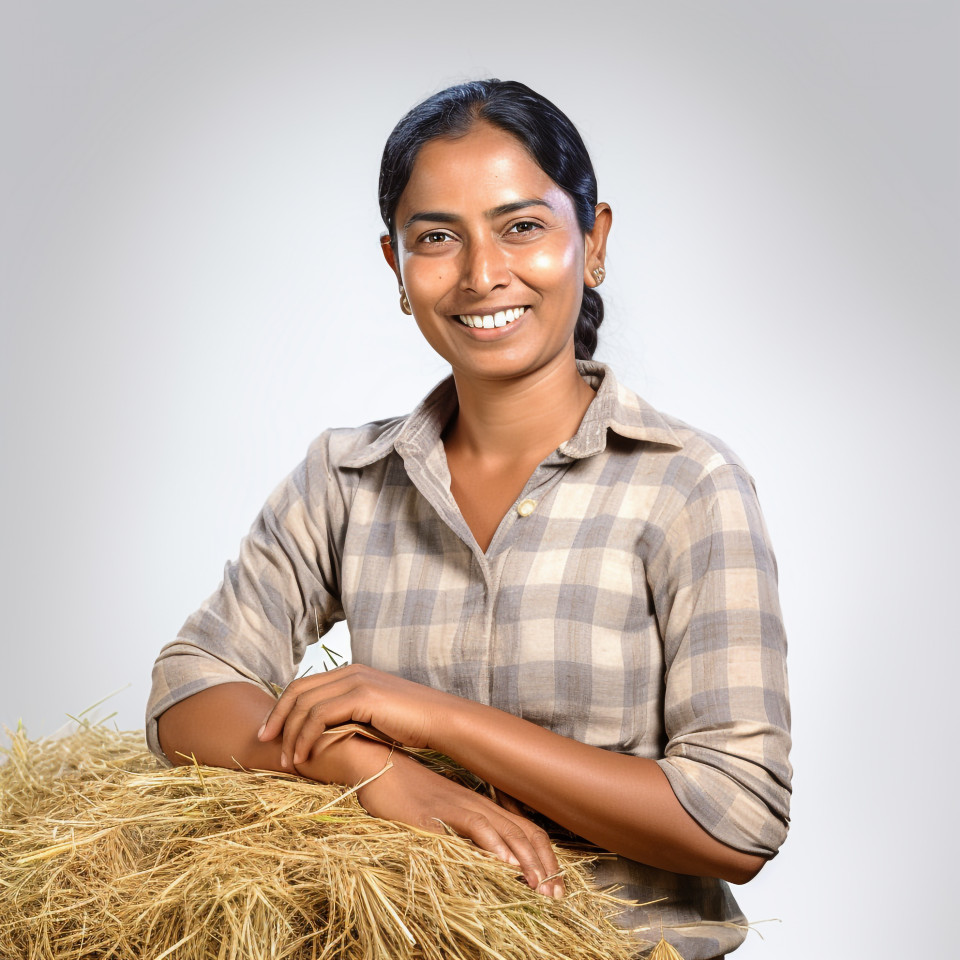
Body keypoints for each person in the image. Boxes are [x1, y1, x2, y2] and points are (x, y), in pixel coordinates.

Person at [147, 79, 791, 960]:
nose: (483, 274)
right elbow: (188, 690)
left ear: (593, 241)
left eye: (522, 226)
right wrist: (378, 772)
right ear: (397, 270)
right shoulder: (346, 478)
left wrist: (434, 717)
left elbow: (738, 820)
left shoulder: (688, 487)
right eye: (438, 238)